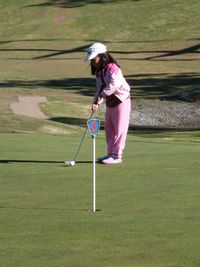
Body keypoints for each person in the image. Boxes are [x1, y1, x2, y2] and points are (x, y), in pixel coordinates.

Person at [85, 43, 131, 164]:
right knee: (109, 129)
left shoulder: (113, 68)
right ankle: (111, 154)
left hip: (121, 101)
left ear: (102, 56)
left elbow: (114, 85)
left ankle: (117, 156)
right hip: (110, 102)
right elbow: (100, 89)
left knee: (119, 129)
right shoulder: (100, 72)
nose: (92, 63)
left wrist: (101, 95)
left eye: (94, 59)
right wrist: (96, 102)